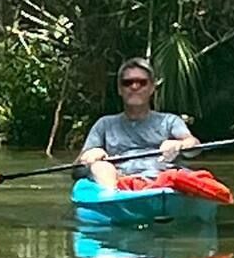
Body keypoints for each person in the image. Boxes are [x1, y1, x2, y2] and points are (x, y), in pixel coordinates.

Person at [76, 57, 200, 192]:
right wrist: (90, 155)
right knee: (99, 167)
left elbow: (194, 145)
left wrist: (179, 145)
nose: (135, 87)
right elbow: (76, 169)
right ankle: (113, 199)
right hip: (119, 181)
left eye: (142, 82)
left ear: (152, 88)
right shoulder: (104, 124)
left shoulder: (170, 121)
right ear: (119, 89)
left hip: (163, 179)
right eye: (127, 83)